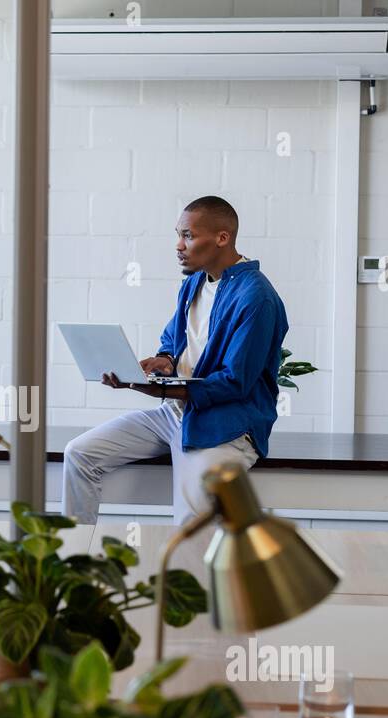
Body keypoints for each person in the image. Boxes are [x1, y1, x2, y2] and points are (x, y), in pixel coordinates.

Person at [62, 195, 288, 525]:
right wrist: (164, 362)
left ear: (222, 238)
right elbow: (175, 341)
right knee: (79, 453)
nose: (179, 245)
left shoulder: (257, 298)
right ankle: (74, 563)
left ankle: (189, 575)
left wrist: (163, 391)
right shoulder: (195, 283)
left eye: (188, 236)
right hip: (176, 414)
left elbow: (235, 382)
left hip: (226, 427)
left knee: (191, 523)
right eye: (178, 235)